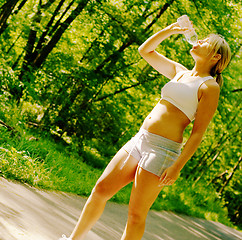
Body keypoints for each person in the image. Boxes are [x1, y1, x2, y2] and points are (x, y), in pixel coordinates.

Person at [59, 20, 231, 240]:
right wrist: (170, 30)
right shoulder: (180, 72)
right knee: (100, 190)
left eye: (206, 42)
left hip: (163, 151)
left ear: (216, 57)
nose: (199, 40)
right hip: (140, 139)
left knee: (136, 214)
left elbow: (198, 133)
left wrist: (177, 166)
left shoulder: (209, 87)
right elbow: (145, 50)